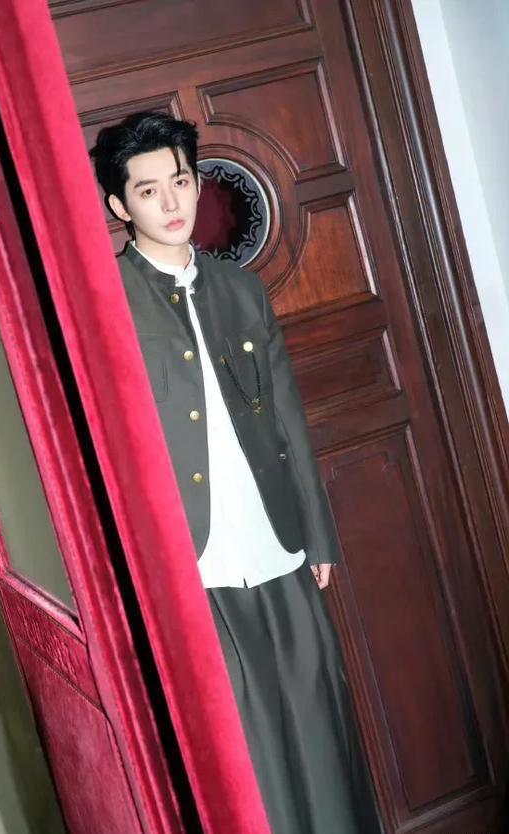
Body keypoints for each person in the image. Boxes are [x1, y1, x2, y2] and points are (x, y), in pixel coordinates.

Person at [91, 112, 382, 834]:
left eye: (180, 181)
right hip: (193, 565)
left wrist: (317, 536)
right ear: (120, 205)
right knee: (249, 758)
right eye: (149, 191)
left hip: (277, 544)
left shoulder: (240, 289)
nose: (171, 202)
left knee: (321, 728)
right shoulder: (105, 302)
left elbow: (286, 416)